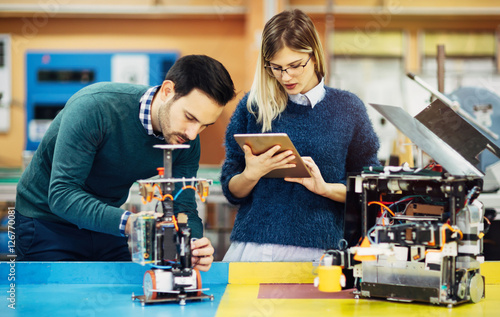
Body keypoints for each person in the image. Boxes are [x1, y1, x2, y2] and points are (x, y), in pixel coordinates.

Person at [15, 54, 236, 270]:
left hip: (104, 223)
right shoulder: (95, 108)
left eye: (205, 125)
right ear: (168, 91)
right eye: (190, 117)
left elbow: (183, 205)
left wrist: (192, 246)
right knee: (54, 300)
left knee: (125, 294)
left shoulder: (185, 140)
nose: (193, 133)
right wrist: (131, 223)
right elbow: (62, 194)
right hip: (45, 222)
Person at [220, 9, 380, 262]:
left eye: (295, 65)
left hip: (319, 253)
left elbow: (371, 189)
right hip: (253, 248)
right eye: (276, 68)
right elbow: (231, 190)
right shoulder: (253, 107)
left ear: (314, 56)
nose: (286, 77)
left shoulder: (348, 108)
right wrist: (251, 174)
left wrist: (325, 189)